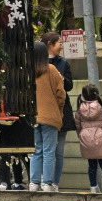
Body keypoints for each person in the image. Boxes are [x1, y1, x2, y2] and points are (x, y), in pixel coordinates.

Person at [29, 40, 66, 192]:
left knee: (37, 150)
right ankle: (47, 183)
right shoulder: (51, 69)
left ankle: (34, 182)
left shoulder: (29, 71)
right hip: (50, 117)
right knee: (49, 151)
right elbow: (61, 94)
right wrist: (59, 110)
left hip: (34, 117)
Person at [76, 83, 102, 194]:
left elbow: (78, 126)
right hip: (101, 139)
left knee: (92, 166)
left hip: (86, 140)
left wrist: (81, 135)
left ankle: (93, 187)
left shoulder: (79, 110)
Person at [45, 33, 76, 189]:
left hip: (62, 109)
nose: (61, 47)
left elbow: (70, 86)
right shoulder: (39, 62)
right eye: (59, 44)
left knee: (58, 151)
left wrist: (62, 79)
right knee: (44, 149)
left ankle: (55, 182)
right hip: (45, 110)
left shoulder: (64, 63)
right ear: (50, 44)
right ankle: (45, 180)